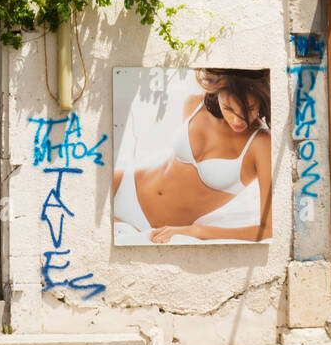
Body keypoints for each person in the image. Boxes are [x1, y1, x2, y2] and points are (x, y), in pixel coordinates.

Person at [113, 69, 272, 243]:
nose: (237, 120)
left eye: (249, 109)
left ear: (262, 100)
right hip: (122, 184)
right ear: (216, 92)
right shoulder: (195, 104)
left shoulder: (261, 144)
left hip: (153, 226)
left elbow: (268, 230)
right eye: (228, 108)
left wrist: (197, 231)